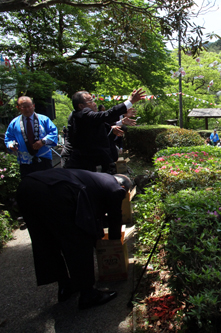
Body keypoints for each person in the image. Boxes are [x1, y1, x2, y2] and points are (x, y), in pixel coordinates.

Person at [17, 168, 132, 310]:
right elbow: (115, 217)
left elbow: (96, 211)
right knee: (78, 241)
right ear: (123, 187)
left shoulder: (96, 178)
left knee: (46, 241)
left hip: (27, 188)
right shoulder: (115, 189)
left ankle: (65, 286)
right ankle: (88, 294)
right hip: (56, 192)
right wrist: (114, 244)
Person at [62, 89, 143, 172]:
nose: (94, 104)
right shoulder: (82, 114)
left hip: (85, 160)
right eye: (90, 101)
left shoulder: (84, 116)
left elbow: (103, 123)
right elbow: (105, 116)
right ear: (81, 106)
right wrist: (130, 101)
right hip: (75, 162)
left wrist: (118, 122)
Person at [5, 96, 58, 178]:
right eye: (23, 107)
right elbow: (9, 138)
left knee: (47, 182)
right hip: (25, 161)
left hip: (43, 158)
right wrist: (11, 144)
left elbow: (53, 133)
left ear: (33, 106)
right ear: (18, 108)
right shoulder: (14, 123)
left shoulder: (44, 119)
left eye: (29, 106)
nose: (27, 109)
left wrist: (43, 141)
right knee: (28, 185)